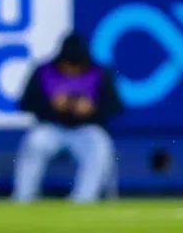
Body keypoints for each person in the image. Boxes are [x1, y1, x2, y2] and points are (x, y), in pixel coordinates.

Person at [13, 32, 123, 203]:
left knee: (100, 145)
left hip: (86, 129)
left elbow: (116, 107)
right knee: (35, 141)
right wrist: (51, 105)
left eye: (77, 64)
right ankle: (23, 199)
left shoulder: (100, 73)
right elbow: (25, 104)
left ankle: (83, 201)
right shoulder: (44, 71)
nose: (72, 68)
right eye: (68, 63)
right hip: (52, 128)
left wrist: (92, 109)